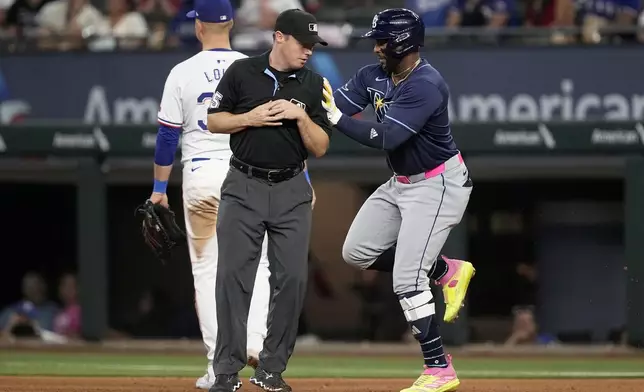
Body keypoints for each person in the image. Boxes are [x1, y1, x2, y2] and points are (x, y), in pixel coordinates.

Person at [322, 8, 476, 392]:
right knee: (356, 252)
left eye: (382, 41)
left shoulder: (426, 83)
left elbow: (388, 136)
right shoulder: (371, 74)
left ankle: (439, 368)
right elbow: (334, 102)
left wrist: (335, 119)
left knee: (407, 278)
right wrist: (302, 99)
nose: (376, 48)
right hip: (402, 182)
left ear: (403, 42)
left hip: (437, 184)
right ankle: (444, 271)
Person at [206, 8, 332, 392]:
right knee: (232, 278)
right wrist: (251, 116)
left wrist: (300, 117)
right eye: (303, 43)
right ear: (279, 37)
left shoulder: (314, 84)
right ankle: (226, 371)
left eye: (313, 45)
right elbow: (214, 120)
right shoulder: (242, 72)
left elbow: (322, 146)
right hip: (244, 184)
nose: (308, 51)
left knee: (292, 279)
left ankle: (271, 369)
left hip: (292, 188)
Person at [151, 0, 272, 388]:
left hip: (202, 176)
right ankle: (254, 342)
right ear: (232, 24)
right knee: (261, 264)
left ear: (199, 27)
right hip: (250, 174)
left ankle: (218, 366)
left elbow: (168, 135)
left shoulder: (182, 72)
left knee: (208, 271)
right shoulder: (254, 68)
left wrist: (158, 190)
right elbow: (272, 128)